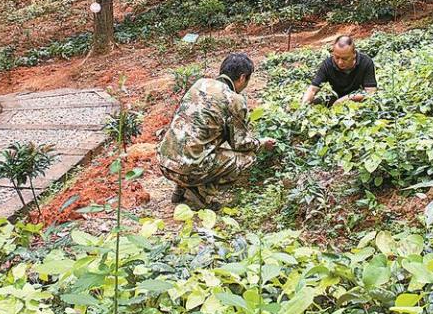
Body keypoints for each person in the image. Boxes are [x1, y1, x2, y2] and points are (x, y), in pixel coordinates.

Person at [157, 53, 276, 209]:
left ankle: (182, 187)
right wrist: (261, 143)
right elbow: (241, 144)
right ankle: (202, 192)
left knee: (198, 141)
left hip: (165, 162)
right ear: (242, 77)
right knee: (248, 158)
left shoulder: (200, 83)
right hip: (187, 169)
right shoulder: (234, 99)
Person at [300, 35, 378, 106]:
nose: (340, 62)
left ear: (354, 54)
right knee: (314, 103)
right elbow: (313, 89)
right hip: (335, 97)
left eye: (345, 58)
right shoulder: (328, 64)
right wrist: (303, 107)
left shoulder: (365, 62)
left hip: (358, 99)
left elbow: (370, 92)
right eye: (337, 57)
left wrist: (345, 99)